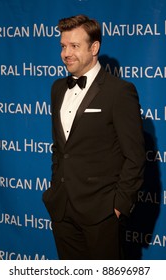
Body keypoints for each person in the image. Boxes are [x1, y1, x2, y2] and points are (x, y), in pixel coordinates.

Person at [43, 14, 146, 260]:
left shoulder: (119, 92)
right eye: (63, 46)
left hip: (101, 213)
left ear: (94, 48)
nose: (66, 53)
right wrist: (56, 187)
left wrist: (118, 206)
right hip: (62, 209)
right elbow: (60, 148)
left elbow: (135, 156)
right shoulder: (57, 88)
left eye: (74, 46)